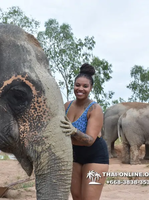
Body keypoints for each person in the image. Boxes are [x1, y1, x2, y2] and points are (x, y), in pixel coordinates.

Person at [60, 63, 109, 200]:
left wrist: (74, 131)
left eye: (85, 86)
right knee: (77, 196)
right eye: (77, 85)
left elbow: (89, 140)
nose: (80, 89)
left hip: (95, 156)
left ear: (90, 88)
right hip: (74, 155)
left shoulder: (95, 109)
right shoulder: (67, 106)